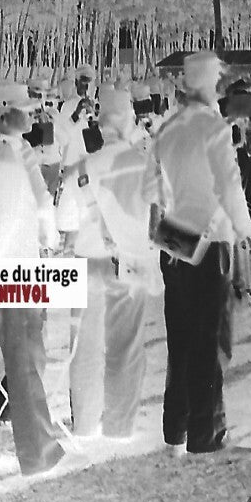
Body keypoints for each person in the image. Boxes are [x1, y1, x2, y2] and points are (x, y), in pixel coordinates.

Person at [0, 78, 75, 478]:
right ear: (4, 112)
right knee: (23, 367)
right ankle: (38, 452)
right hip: (7, 274)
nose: (32, 112)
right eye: (24, 107)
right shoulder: (5, 162)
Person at [151, 50, 251, 456]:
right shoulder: (214, 128)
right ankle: (208, 434)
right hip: (211, 240)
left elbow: (153, 189)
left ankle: (175, 432)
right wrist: (246, 230)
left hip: (175, 238)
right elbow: (230, 188)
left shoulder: (168, 128)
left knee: (179, 340)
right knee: (209, 342)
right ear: (213, 84)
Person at [70, 84, 160, 441]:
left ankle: (84, 423)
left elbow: (66, 216)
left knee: (84, 346)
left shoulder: (81, 167)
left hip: (85, 258)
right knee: (125, 345)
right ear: (129, 121)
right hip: (129, 260)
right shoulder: (143, 162)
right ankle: (120, 425)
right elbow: (156, 215)